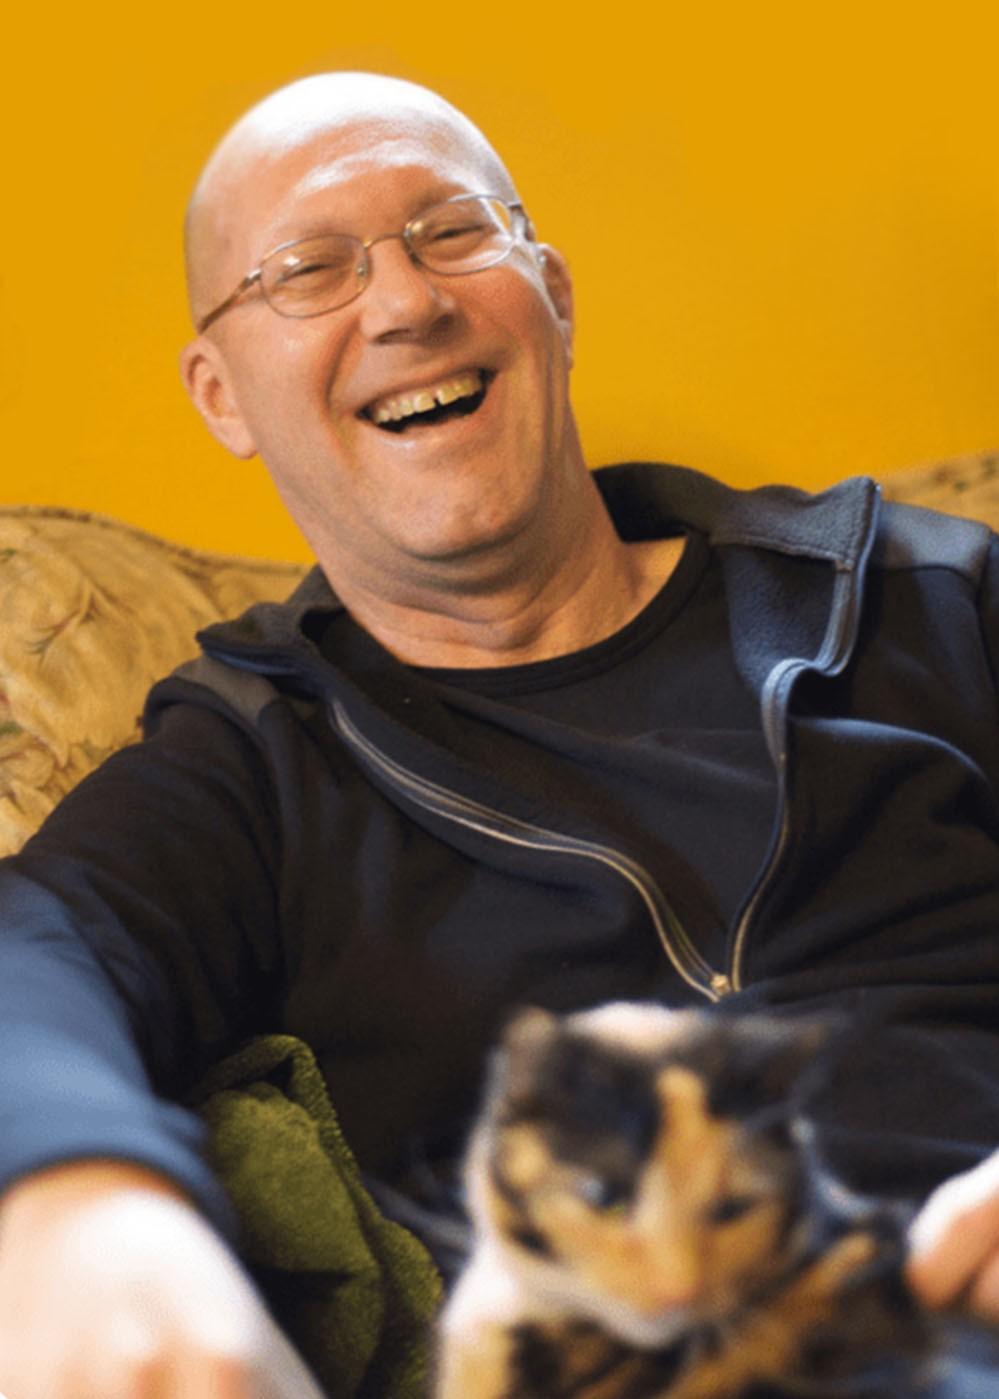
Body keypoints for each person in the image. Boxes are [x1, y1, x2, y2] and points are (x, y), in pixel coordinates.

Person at [1, 69, 999, 1398]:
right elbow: (37, 957)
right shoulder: (250, 764)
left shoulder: (925, 596)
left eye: (454, 231)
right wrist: (80, 1202)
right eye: (309, 270)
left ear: (556, 298)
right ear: (222, 395)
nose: (406, 302)